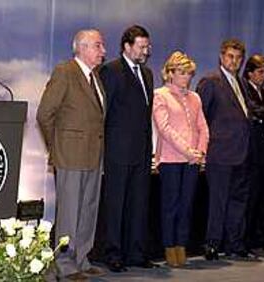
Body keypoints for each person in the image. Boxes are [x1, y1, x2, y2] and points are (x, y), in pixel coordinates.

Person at [36, 29, 106, 280]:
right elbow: (44, 114)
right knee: (69, 213)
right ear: (82, 47)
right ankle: (65, 265)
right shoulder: (65, 72)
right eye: (98, 46)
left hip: (93, 156)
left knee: (88, 209)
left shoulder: (95, 77)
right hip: (70, 156)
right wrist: (58, 147)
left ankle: (82, 258)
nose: (103, 51)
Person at [98, 24, 158, 272]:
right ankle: (113, 254)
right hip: (118, 151)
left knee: (138, 204)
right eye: (142, 46)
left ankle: (136, 253)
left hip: (141, 151)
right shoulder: (110, 70)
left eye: (147, 46)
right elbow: (104, 112)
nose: (147, 50)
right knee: (116, 205)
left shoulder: (147, 74)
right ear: (127, 46)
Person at [196, 39, 255, 261]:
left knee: (238, 201)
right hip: (220, 153)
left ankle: (235, 244)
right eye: (230, 56)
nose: (235, 61)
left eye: (239, 58)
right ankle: (212, 244)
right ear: (222, 57)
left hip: (242, 152)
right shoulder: (210, 81)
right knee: (218, 201)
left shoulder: (240, 83)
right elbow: (200, 117)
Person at [153, 51, 209, 267]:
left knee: (186, 205)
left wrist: (200, 152)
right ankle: (169, 246)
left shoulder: (195, 98)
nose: (186, 77)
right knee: (171, 205)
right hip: (170, 159)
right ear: (169, 73)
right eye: (182, 73)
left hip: (192, 161)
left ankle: (181, 245)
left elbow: (203, 128)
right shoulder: (161, 95)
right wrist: (188, 151)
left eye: (189, 74)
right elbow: (164, 128)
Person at [242, 54, 264, 251]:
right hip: (252, 153)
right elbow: (254, 110)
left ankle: (261, 235)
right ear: (250, 73)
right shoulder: (246, 91)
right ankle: (248, 236)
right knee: (251, 198)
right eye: (261, 72)